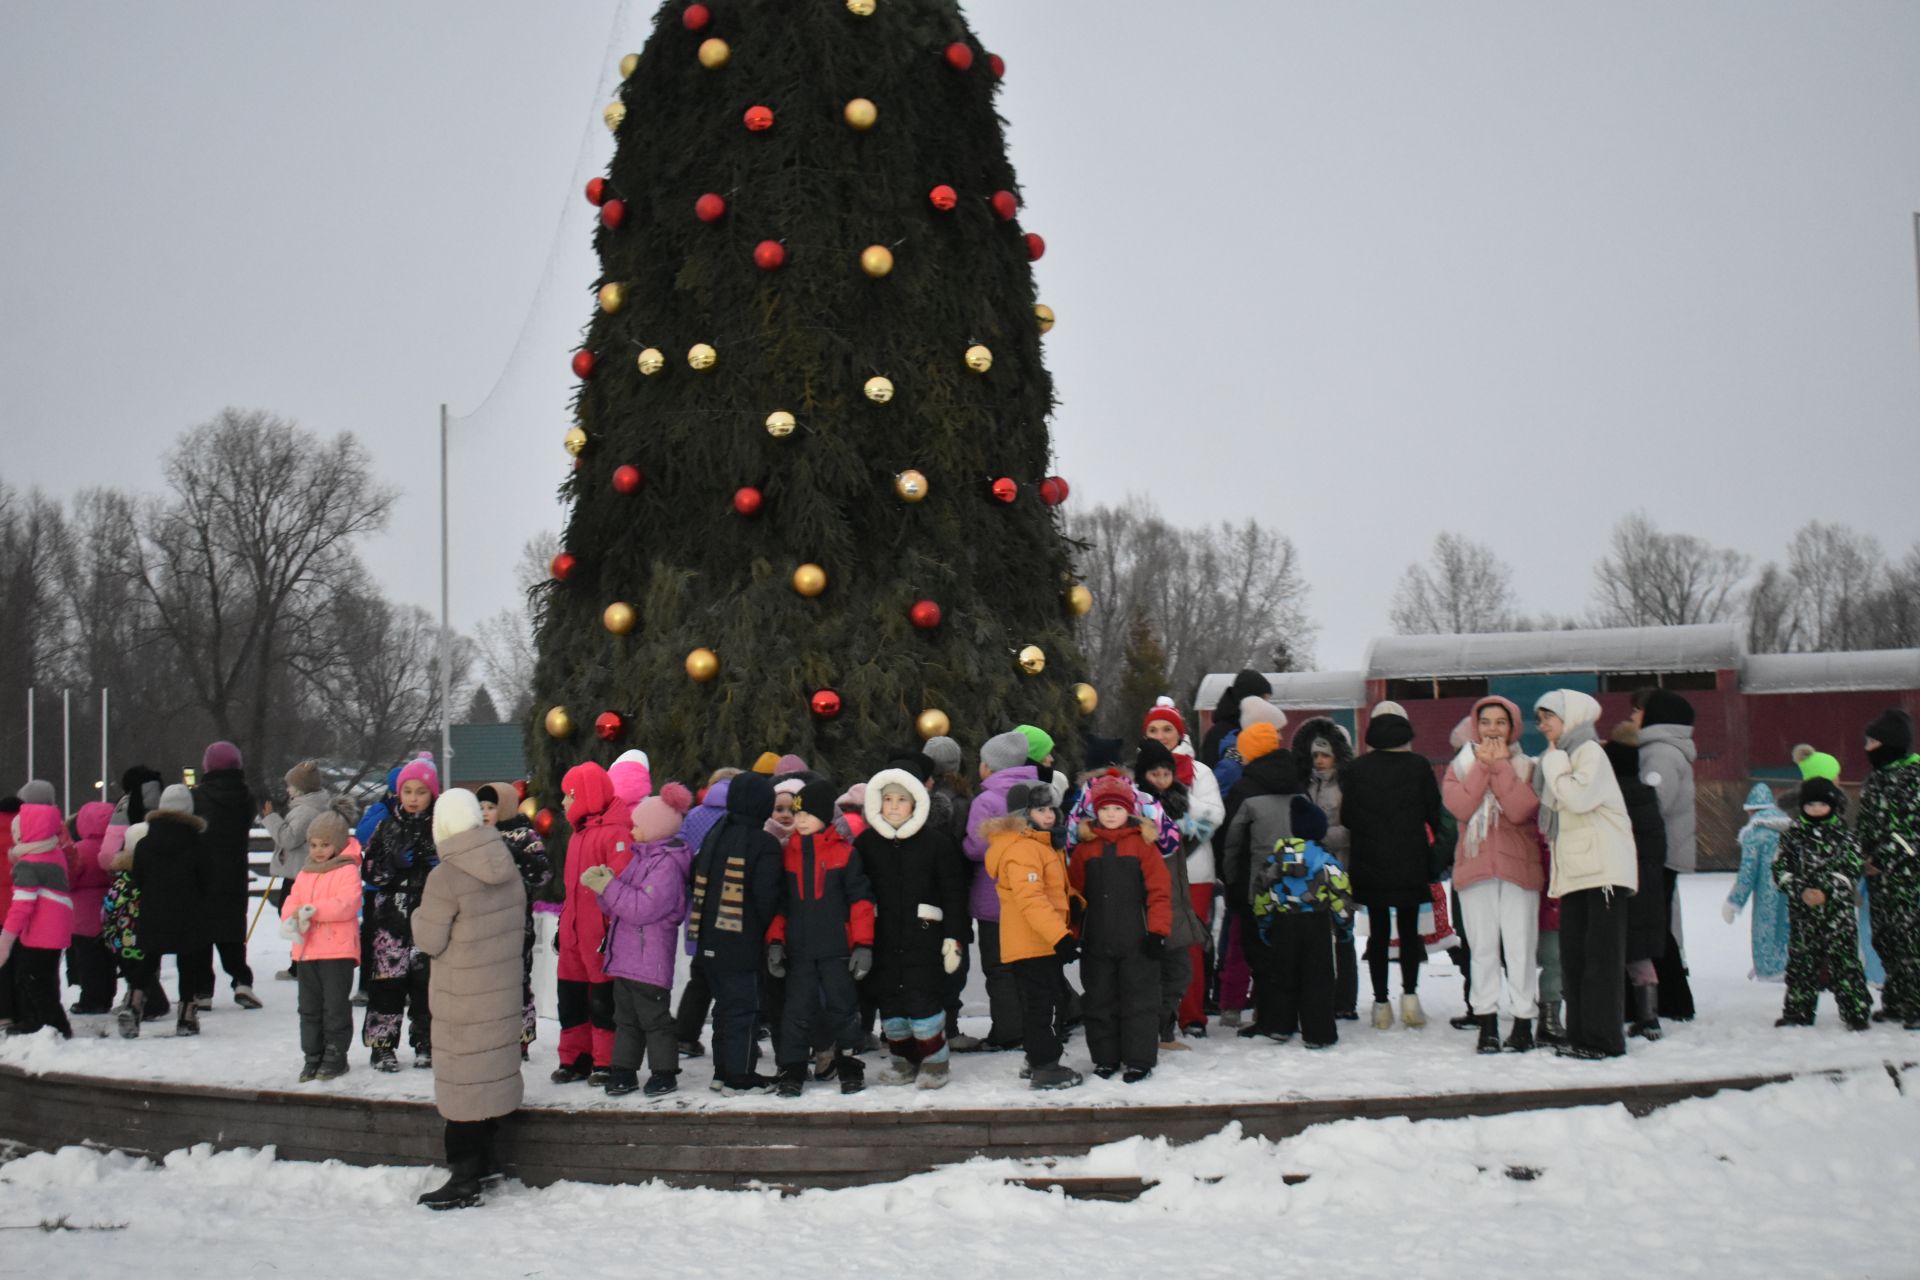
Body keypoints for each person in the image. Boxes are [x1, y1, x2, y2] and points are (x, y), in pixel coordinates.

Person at [409, 789, 528, 1210]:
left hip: (462, 997)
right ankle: (487, 1162)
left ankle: (463, 1178)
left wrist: (416, 916)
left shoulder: (446, 876)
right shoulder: (504, 861)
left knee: (462, 1089)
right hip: (499, 991)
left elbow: (429, 938)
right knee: (489, 1076)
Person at [1534, 690, 1637, 1060]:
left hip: (1603, 870)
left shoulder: (1588, 752)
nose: (1542, 725)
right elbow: (1551, 802)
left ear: (1572, 717)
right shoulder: (1563, 755)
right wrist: (1554, 759)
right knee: (1575, 958)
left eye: (1549, 717)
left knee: (1600, 960)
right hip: (1577, 871)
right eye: (1540, 718)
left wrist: (1555, 760)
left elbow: (1576, 799)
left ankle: (1603, 1040)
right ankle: (1581, 1036)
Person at [856, 767, 968, 1089]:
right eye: (887, 799)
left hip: (924, 939)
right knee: (891, 1004)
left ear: (915, 804)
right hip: (884, 939)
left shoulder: (936, 843)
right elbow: (857, 892)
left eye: (901, 800)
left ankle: (934, 1063)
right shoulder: (866, 844)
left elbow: (953, 893)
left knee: (923, 1002)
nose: (893, 806)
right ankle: (903, 1061)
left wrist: (953, 938)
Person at [1442, 696, 1542, 1053]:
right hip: (1475, 868)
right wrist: (1484, 767)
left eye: (1501, 722)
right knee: (1482, 949)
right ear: (1475, 725)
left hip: (1519, 870)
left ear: (1513, 726)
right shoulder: (1460, 766)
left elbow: (1519, 809)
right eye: (1486, 722)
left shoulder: (1529, 766)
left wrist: (1500, 767)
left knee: (1521, 949)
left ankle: (1523, 1023)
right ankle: (1486, 1023)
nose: (1493, 730)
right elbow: (1461, 806)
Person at [582, 784, 694, 1098]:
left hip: (649, 960)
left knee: (654, 1019)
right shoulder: (640, 858)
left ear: (655, 828)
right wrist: (604, 886)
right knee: (626, 1018)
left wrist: (610, 888)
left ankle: (664, 1071)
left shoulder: (667, 866)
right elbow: (618, 904)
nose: (632, 829)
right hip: (626, 958)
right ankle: (624, 1070)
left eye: (637, 824)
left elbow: (642, 908)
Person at [766, 780, 873, 1098]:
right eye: (796, 814)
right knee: (796, 1012)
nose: (798, 819)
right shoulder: (788, 854)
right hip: (799, 950)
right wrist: (776, 941)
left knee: (843, 1009)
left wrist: (863, 945)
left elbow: (860, 902)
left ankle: (850, 1067)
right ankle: (792, 1069)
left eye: (806, 814)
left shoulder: (845, 852)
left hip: (837, 949)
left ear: (825, 816)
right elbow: (780, 903)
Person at [1341, 701, 1442, 1030]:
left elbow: (1347, 818)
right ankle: (1410, 997)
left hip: (1370, 861)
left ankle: (1381, 1004)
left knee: (1379, 934)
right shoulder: (1419, 766)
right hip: (1411, 860)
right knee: (1410, 933)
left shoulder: (1356, 769)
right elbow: (1434, 813)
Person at [1069, 775, 1172, 1083]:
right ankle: (1105, 1058)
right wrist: (1073, 931)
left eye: (1117, 808)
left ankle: (1139, 1059)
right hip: (1097, 940)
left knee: (1139, 999)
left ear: (1129, 810)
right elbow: (1074, 894)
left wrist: (1157, 932)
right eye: (1105, 809)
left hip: (1137, 940)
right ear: (1095, 812)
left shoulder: (1143, 845)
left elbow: (1160, 892)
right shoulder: (1086, 850)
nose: (1111, 814)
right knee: (1099, 999)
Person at [687, 772, 783, 1093]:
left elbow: (694, 875)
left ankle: (721, 1072)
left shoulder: (717, 834)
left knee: (724, 1009)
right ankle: (740, 1076)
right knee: (743, 1009)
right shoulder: (763, 843)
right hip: (741, 943)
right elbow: (768, 896)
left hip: (707, 941)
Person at [986, 781, 1083, 1090]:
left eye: (1051, 808)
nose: (1050, 816)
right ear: (1023, 814)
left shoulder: (1042, 844)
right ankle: (1046, 1065)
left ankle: (1035, 1058)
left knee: (1043, 1001)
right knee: (1047, 1004)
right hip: (1033, 943)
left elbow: (1054, 891)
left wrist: (1075, 905)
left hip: (1040, 941)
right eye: (1041, 810)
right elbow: (1032, 900)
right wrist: (1060, 937)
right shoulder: (1023, 849)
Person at [1216, 720, 1302, 1042]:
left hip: (1256, 883)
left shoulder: (1245, 787)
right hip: (1294, 881)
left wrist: (1230, 879)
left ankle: (1268, 1018)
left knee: (1259, 951)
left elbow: (1232, 841)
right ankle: (1288, 1015)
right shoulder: (1296, 779)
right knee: (1287, 951)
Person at [1144, 699, 1225, 1037]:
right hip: (1149, 872)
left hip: (1193, 871)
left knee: (1189, 944)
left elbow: (1212, 816)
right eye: (1153, 730)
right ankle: (1155, 1015)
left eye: (1167, 730)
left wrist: (1177, 798)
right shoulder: (1139, 768)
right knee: (1152, 944)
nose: (1161, 736)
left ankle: (1192, 1016)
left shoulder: (1199, 771)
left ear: (1180, 733)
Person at [958, 730, 1041, 1051]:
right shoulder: (1038, 793)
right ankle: (1041, 1022)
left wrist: (965, 845)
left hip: (995, 899)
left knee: (999, 968)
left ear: (989, 767)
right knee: (1030, 966)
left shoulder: (987, 800)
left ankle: (1008, 1031)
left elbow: (978, 847)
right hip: (1031, 895)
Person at [1247, 796, 1350, 1048]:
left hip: (1284, 923)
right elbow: (1340, 893)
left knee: (1283, 975)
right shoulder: (1325, 860)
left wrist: (1265, 921)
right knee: (1318, 978)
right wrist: (1343, 923)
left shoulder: (1277, 858)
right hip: (1315, 923)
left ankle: (1280, 1025)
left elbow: (1264, 892)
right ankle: (1318, 1033)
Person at [1773, 776, 1870, 1030]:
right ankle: (1798, 1011)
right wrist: (1800, 889)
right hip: (1803, 915)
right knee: (1802, 964)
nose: (1816, 809)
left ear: (1833, 806)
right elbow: (1780, 868)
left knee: (1845, 963)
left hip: (1838, 915)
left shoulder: (1845, 838)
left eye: (1822, 804)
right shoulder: (1792, 837)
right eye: (1810, 804)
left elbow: (1851, 870)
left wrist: (1827, 891)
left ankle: (1855, 1010)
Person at [361, 755, 440, 1071]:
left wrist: (441, 867)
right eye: (407, 791)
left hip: (428, 917)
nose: (413, 798)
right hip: (391, 921)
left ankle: (426, 1041)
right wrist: (391, 865)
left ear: (431, 794)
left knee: (426, 985)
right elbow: (369, 870)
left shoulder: (440, 826)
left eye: (420, 792)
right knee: (387, 984)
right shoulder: (387, 826)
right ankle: (382, 1045)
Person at [552, 761, 626, 1085]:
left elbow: (619, 887)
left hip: (600, 936)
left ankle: (604, 1061)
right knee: (570, 998)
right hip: (573, 935)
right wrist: (562, 926)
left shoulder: (615, 835)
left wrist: (612, 931)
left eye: (567, 796)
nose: (563, 803)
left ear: (580, 795)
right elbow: (571, 891)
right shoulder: (577, 835)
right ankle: (575, 1058)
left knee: (602, 1001)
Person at [115, 784, 210, 1038]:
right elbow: (206, 880)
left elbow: (138, 878)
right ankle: (187, 1015)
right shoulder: (198, 843)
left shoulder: (145, 844)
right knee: (188, 962)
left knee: (148, 959)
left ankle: (134, 1003)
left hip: (153, 910)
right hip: (188, 912)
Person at [1135, 739, 1208, 1048]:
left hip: (1177, 903)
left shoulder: (1178, 805)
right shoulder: (1139, 812)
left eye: (1166, 773)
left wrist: (1193, 831)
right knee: (1160, 974)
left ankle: (1163, 1030)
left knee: (1179, 972)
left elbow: (1180, 852)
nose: (1162, 780)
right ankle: (1156, 1033)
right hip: (1154, 907)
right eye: (1155, 774)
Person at [278, 811, 362, 1080]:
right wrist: (291, 916)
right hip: (306, 951)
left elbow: (346, 905)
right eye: (313, 845)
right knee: (309, 1007)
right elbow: (292, 900)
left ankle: (335, 1055)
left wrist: (312, 910)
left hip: (337, 952)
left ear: (336, 845)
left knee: (334, 1007)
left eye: (325, 845)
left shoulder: (346, 870)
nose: (318, 851)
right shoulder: (305, 872)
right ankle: (312, 1055)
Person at [185, 740, 262, 1011]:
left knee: (201, 933)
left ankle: (202, 990)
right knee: (231, 930)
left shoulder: (197, 797)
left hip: (202, 873)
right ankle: (241, 980)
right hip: (234, 872)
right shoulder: (247, 798)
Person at [1636, 690, 1698, 1020]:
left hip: (1657, 854)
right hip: (1665, 851)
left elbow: (1653, 801)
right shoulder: (1666, 750)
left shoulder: (1659, 753)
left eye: (1639, 712)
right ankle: (1672, 1000)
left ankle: (1674, 1001)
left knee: (1655, 929)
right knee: (1657, 927)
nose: (1633, 716)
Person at [477, 784, 550, 1057]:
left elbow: (542, 873)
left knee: (516, 979)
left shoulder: (524, 834)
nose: (485, 813)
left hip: (515, 922)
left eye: (491, 807)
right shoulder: (474, 836)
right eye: (481, 807)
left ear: (505, 807)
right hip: (481, 924)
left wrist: (516, 855)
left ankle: (520, 1036)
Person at [1291, 717, 1356, 1020]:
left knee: (1343, 933)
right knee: (1314, 936)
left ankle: (1345, 999)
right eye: (1315, 755)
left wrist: (1319, 835)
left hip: (1340, 867)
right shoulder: (1304, 783)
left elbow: (1353, 828)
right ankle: (1320, 994)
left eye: (1325, 754)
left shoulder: (1347, 785)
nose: (1319, 760)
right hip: (1309, 872)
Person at [1606, 724, 1668, 1042]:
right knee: (1640, 954)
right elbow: (1658, 844)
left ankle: (1614, 1012)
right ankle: (1649, 1016)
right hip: (1647, 881)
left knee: (1612, 950)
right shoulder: (1647, 794)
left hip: (1617, 879)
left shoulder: (1608, 798)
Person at [671, 770, 739, 1058]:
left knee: (700, 975)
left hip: (699, 908)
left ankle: (685, 1035)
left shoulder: (695, 816)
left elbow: (682, 858)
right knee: (734, 979)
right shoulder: (742, 816)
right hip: (733, 909)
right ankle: (736, 1038)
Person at [1858, 708, 1919, 1028]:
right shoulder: (1876, 780)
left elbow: (1913, 832)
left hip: (1908, 878)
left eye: (1872, 741)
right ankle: (1897, 999)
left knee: (1911, 940)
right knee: (1885, 938)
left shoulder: (1913, 779)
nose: (1867, 748)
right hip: (1879, 879)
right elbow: (1867, 827)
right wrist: (1861, 856)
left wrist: (1882, 858)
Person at [262, 759, 350, 980]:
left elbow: (288, 839)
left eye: (290, 785)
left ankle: (300, 964)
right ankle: (301, 962)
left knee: (294, 916)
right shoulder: (309, 806)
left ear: (300, 788)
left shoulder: (305, 811)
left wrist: (271, 818)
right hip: (300, 871)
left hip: (299, 873)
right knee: (296, 916)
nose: (287, 789)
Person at [2, 803, 75, 1039]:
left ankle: (53, 1026)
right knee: (44, 977)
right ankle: (40, 1022)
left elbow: (22, 905)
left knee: (34, 979)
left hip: (41, 931)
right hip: (56, 928)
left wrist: (6, 938)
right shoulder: (54, 854)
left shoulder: (29, 864)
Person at [1725, 782, 1792, 982]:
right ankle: (1789, 965)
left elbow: (1748, 872)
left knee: (1767, 930)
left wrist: (1734, 901)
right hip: (1792, 889)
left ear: (1751, 810)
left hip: (1767, 893)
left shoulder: (1754, 833)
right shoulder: (1790, 829)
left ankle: (1769, 970)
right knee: (1788, 928)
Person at [65, 800, 118, 1015]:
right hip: (111, 912)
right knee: (108, 961)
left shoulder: (78, 850)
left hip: (84, 918)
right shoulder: (115, 848)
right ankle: (107, 997)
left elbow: (69, 880)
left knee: (88, 962)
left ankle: (90, 1000)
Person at [1199, 668, 1273, 768]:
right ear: (1249, 698)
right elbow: (1209, 774)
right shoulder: (1219, 735)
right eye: (1263, 699)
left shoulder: (1258, 730)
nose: (1266, 705)